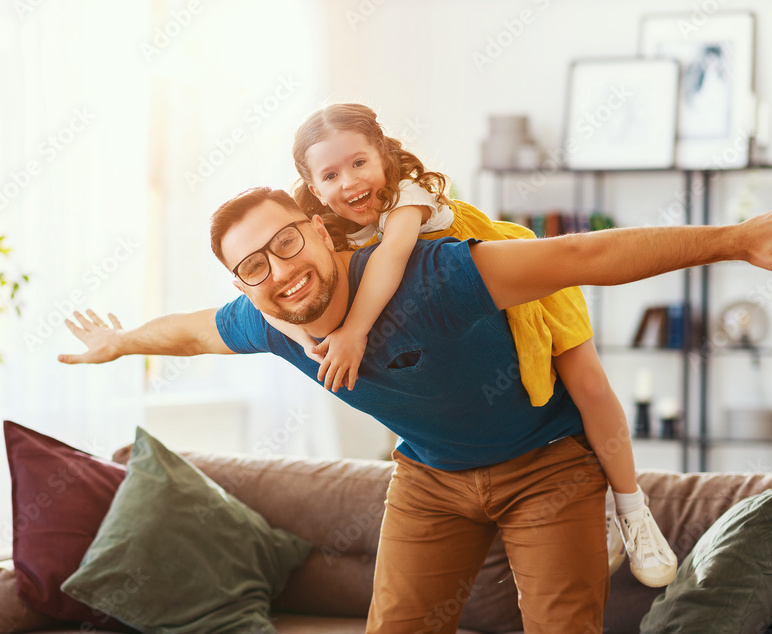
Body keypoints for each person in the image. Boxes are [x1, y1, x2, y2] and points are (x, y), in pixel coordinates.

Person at [59, 187, 772, 633]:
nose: (280, 271)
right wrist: (122, 342)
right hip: (431, 482)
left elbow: (583, 257)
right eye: (253, 266)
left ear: (323, 229)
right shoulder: (269, 322)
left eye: (288, 242)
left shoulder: (437, 277)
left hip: (547, 468)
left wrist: (733, 240)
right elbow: (190, 329)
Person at [269, 103, 674, 586]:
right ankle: (603, 509)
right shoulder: (322, 233)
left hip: (518, 275)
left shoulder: (408, 195)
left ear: (381, 155)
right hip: (462, 336)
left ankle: (631, 507)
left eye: (359, 163)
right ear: (314, 189)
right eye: (331, 174)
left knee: (585, 384)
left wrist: (352, 332)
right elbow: (267, 297)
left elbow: (394, 254)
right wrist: (305, 335)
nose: (350, 182)